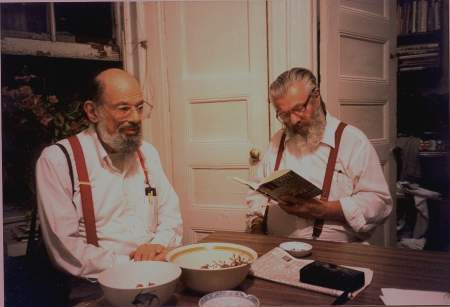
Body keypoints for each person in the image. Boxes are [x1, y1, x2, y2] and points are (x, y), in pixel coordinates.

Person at [36, 68, 183, 279]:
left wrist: (159, 244)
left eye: (139, 108)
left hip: (158, 269)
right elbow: (65, 249)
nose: (135, 118)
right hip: (96, 284)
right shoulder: (57, 161)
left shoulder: (147, 153)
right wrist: (134, 264)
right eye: (123, 108)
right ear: (92, 111)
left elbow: (169, 213)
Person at [246, 67, 392, 242]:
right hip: (276, 248)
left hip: (334, 256)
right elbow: (257, 192)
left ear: (316, 96)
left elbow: (379, 202)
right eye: (284, 114)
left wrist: (325, 209)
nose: (293, 120)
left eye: (299, 108)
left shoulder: (352, 140)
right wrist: (256, 228)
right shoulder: (278, 140)